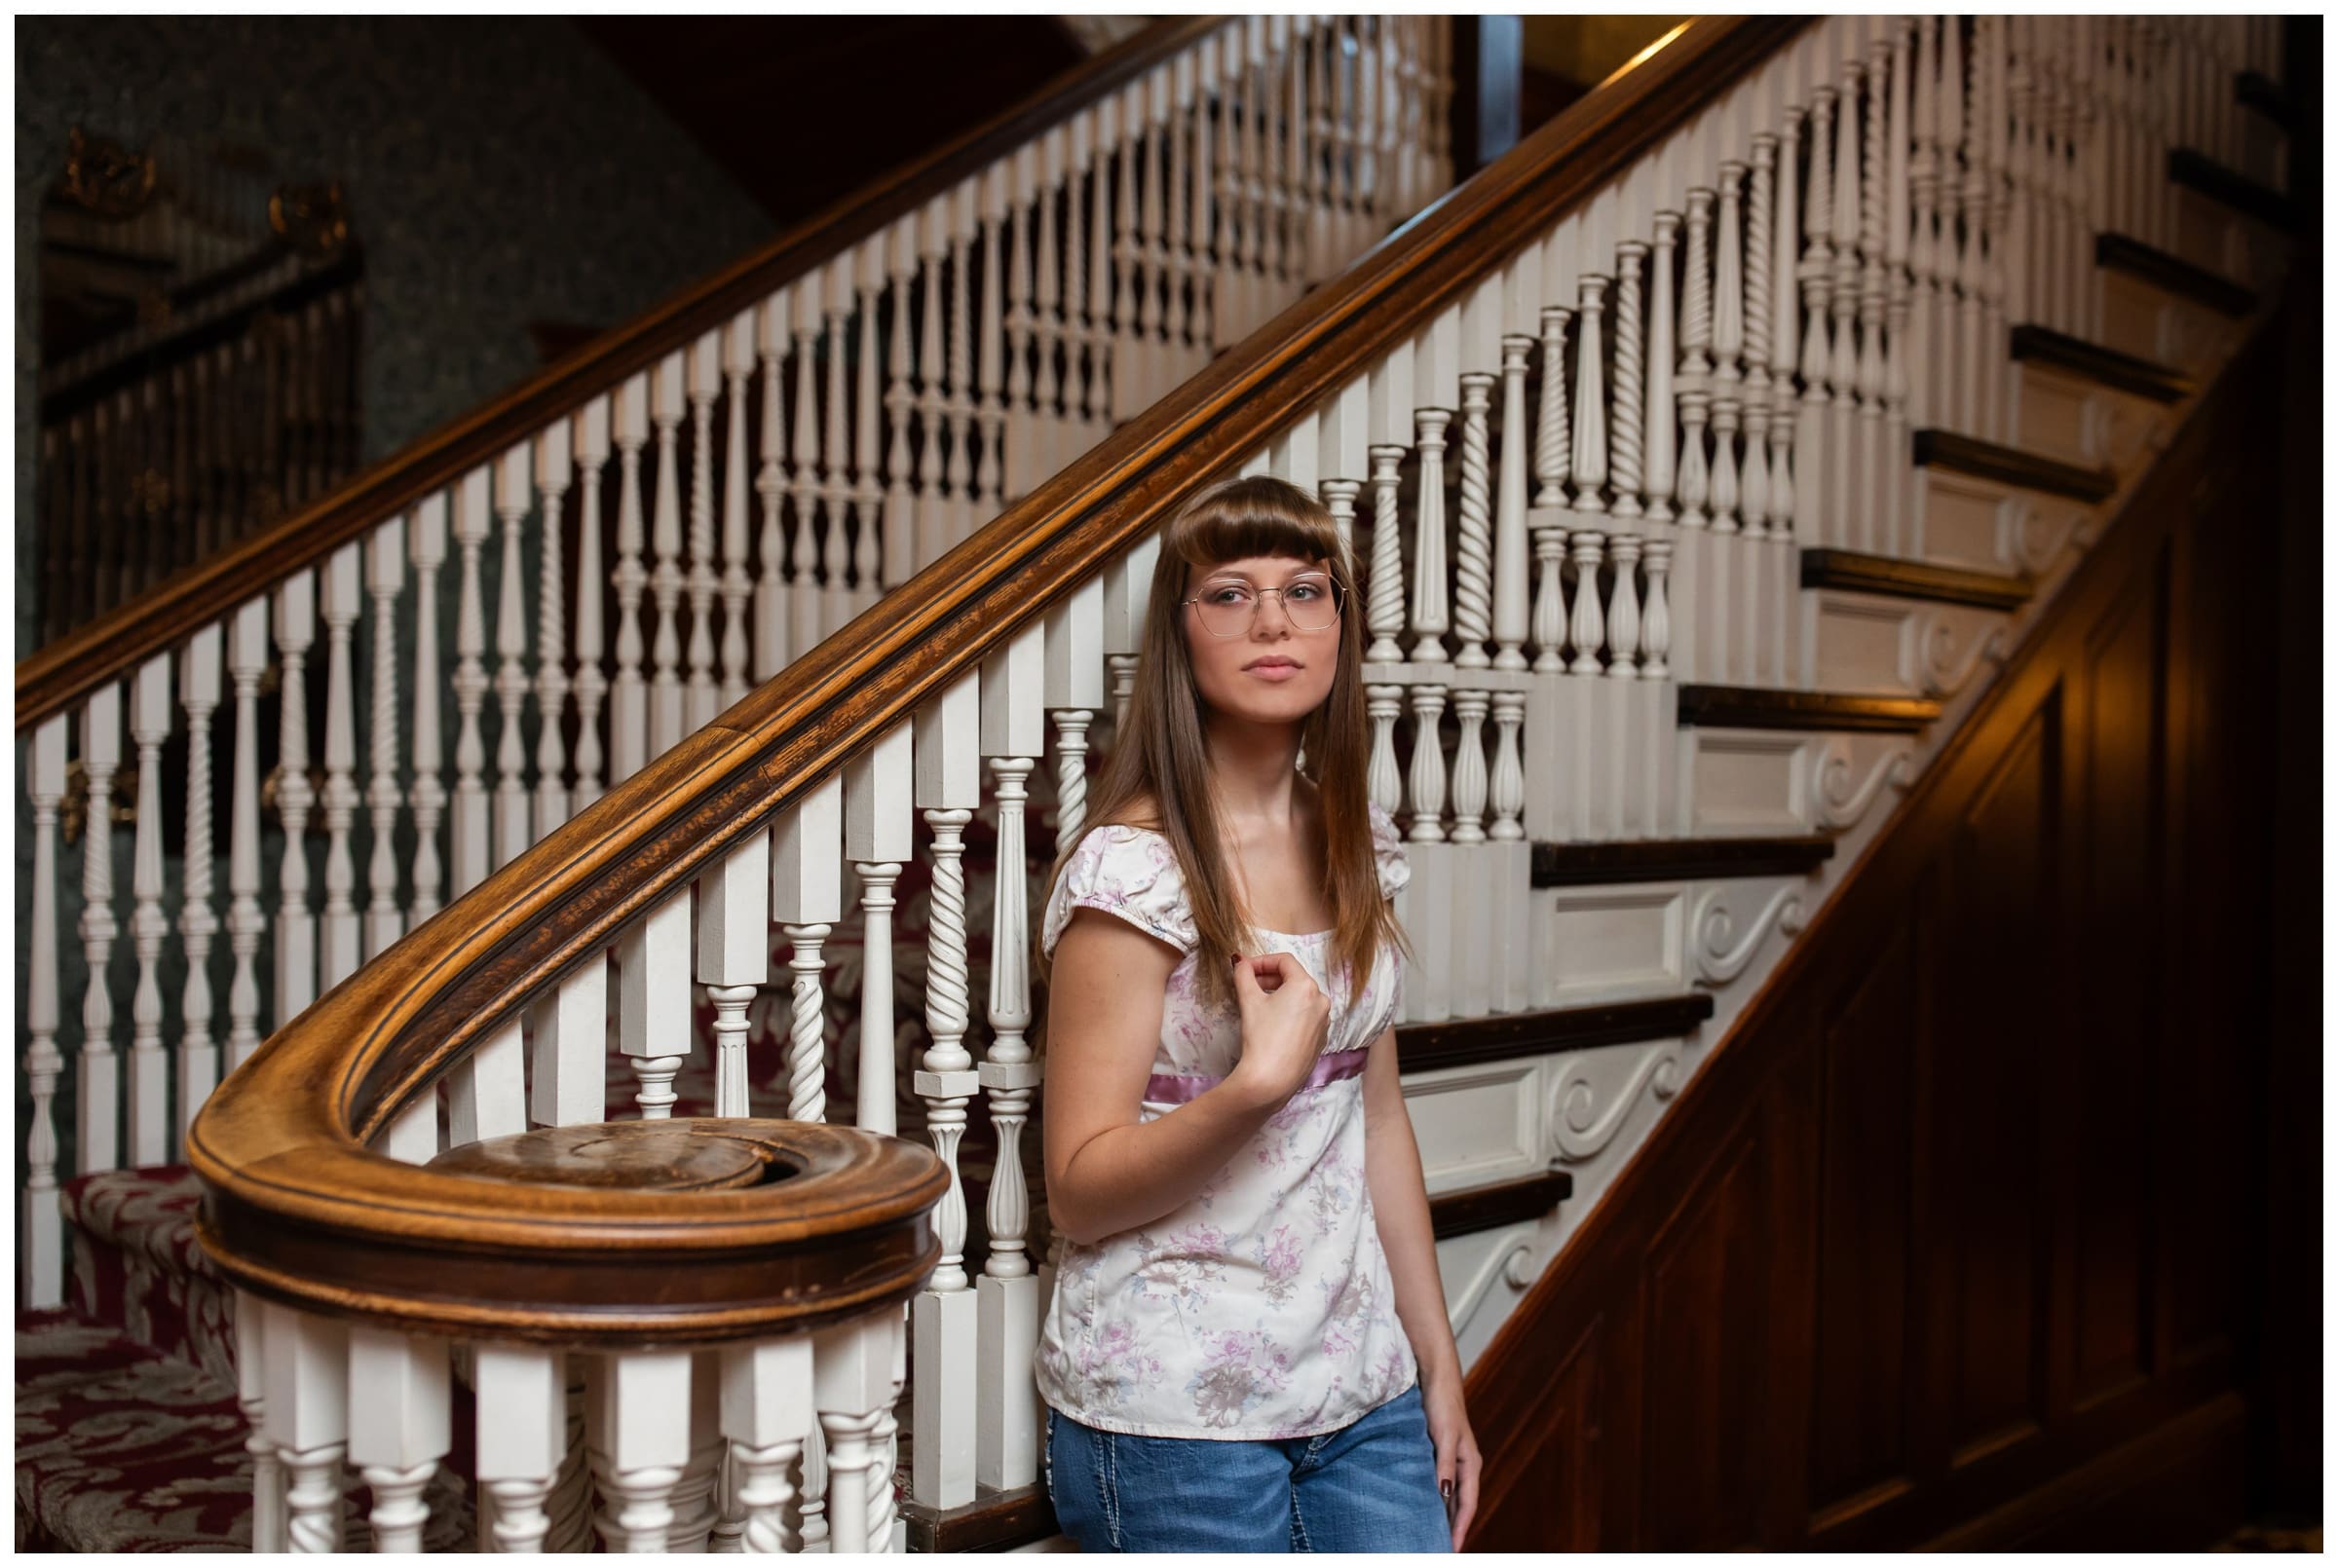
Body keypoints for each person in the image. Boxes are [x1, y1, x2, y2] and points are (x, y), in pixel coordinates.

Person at [1032, 474, 1480, 1552]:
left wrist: (1439, 1366)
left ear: (1339, 626)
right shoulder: (1134, 869)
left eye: (1306, 589)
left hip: (1362, 1393)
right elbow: (1080, 1195)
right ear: (1179, 634)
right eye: (1229, 592)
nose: (1273, 619)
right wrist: (1255, 1089)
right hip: (1176, 1409)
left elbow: (1376, 1123)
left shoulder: (1355, 836)